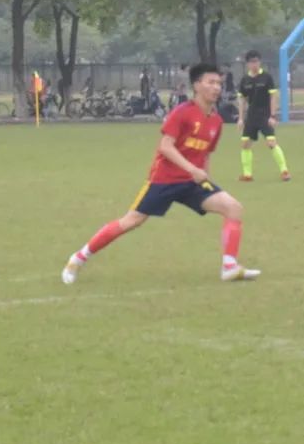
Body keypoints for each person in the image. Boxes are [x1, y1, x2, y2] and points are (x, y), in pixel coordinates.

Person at [60, 63, 260, 285]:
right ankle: (78, 258)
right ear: (197, 85)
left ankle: (229, 267)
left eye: (219, 83)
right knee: (131, 221)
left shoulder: (216, 121)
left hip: (192, 183)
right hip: (164, 180)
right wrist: (192, 169)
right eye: (211, 82)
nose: (217, 88)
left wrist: (206, 178)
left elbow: (206, 155)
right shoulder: (182, 112)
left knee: (233, 208)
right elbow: (165, 146)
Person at [237, 50, 290, 182]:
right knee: (245, 144)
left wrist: (272, 116)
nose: (254, 64)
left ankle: (284, 171)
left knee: (271, 142)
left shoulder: (266, 77)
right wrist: (241, 118)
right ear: (247, 64)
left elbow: (273, 96)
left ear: (260, 62)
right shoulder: (245, 80)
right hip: (251, 116)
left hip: (264, 115)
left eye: (256, 61)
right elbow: (242, 100)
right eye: (252, 62)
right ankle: (247, 175)